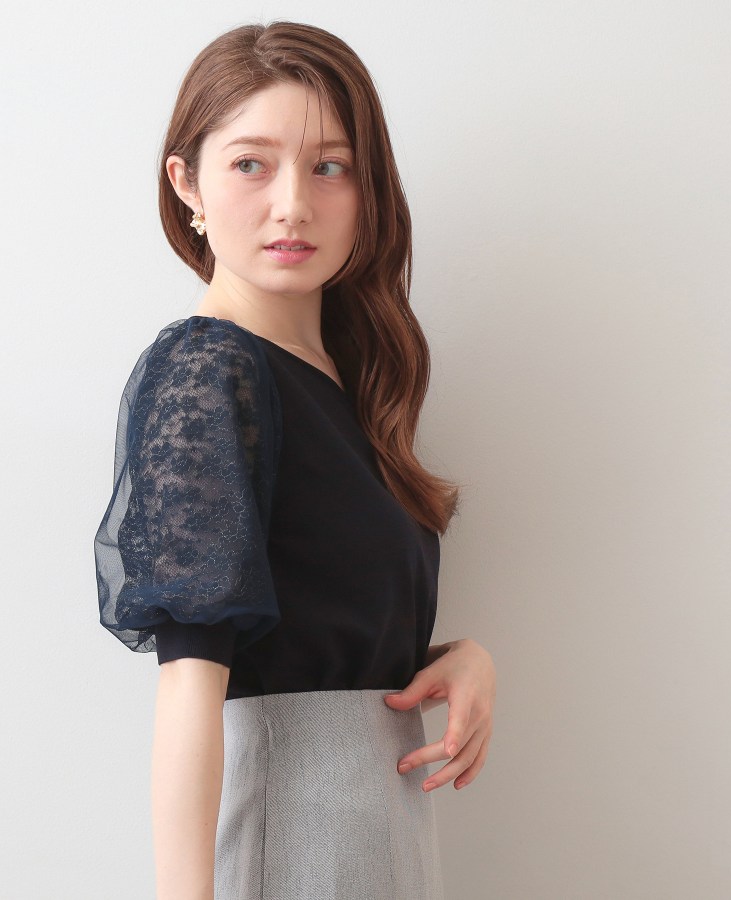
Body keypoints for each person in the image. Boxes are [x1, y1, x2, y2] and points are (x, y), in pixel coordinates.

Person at [94, 20, 496, 900]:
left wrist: (457, 655)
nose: (292, 204)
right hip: (298, 842)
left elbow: (304, 630)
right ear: (187, 184)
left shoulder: (345, 382)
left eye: (330, 166)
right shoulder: (209, 371)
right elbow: (192, 680)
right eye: (251, 163)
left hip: (383, 838)